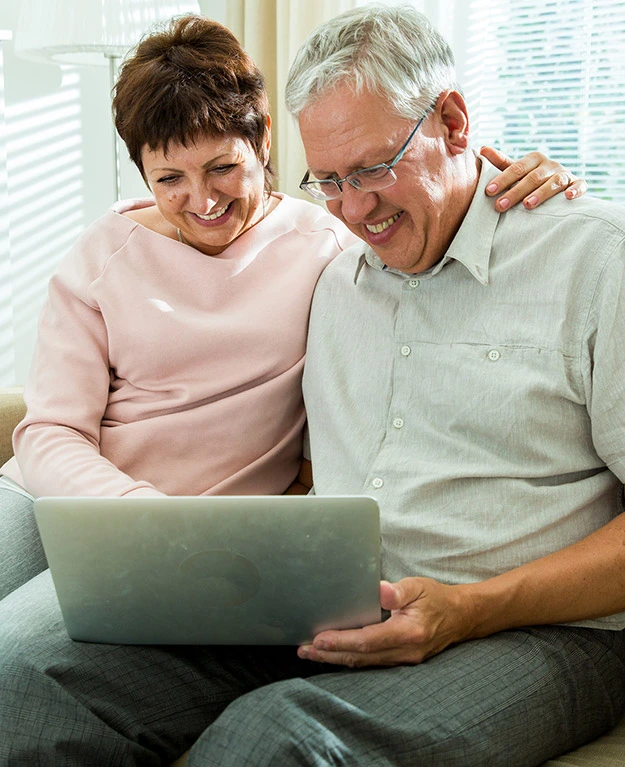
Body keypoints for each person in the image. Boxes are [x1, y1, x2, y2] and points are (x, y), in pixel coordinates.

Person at [0, 11, 589, 767]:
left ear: (264, 144)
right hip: (71, 496)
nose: (202, 199)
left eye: (222, 168)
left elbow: (428, 201)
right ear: (142, 175)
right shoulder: (104, 253)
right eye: (168, 178)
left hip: (219, 531)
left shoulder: (331, 243)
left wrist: (535, 176)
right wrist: (139, 516)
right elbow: (48, 433)